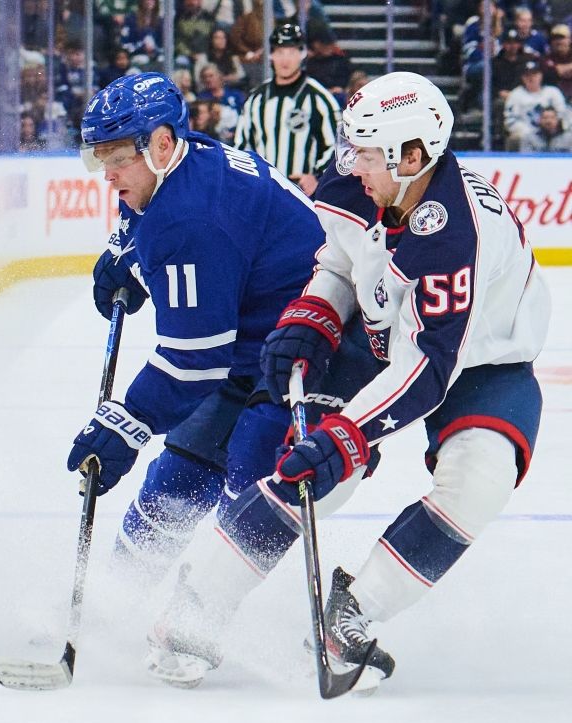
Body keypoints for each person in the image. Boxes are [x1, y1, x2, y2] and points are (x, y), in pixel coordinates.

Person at [144, 71, 550, 690]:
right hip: (381, 332)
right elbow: (341, 254)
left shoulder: (455, 233)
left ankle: (354, 614)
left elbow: (430, 365)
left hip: (482, 361)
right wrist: (319, 309)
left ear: (413, 156)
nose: (349, 162)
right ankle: (197, 605)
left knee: (478, 479)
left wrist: (350, 433)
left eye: (367, 151)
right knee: (313, 475)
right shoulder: (361, 178)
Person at [68, 72, 326, 595]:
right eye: (101, 157)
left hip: (310, 351)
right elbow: (142, 216)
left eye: (118, 158)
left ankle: (198, 622)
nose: (108, 175)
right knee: (183, 470)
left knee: (252, 483)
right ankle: (116, 603)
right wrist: (130, 254)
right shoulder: (187, 159)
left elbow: (195, 361)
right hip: (253, 338)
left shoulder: (192, 220)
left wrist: (129, 422)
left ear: (162, 144)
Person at [235, 23, 341, 197]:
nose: (285, 59)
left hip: (305, 196)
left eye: (292, 52)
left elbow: (338, 146)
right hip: (264, 194)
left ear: (302, 54)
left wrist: (317, 176)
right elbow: (242, 147)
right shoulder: (256, 99)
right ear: (271, 55)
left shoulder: (319, 98)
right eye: (280, 52)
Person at [503, 59, 569, 149]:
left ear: (540, 76)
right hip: (527, 135)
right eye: (527, 75)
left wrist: (556, 129)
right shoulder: (516, 95)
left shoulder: (553, 92)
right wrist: (530, 133)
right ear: (522, 78)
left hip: (554, 133)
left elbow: (563, 114)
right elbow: (510, 121)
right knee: (517, 138)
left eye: (534, 74)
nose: (531, 78)